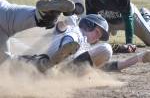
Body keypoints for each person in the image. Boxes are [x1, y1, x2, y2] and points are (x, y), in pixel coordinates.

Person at [12, 14, 150, 73]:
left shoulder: (87, 49)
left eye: (99, 36)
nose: (97, 38)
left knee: (106, 49)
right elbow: (60, 25)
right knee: (10, 43)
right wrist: (65, 18)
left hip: (65, 71)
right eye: (97, 32)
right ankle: (55, 59)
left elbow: (112, 66)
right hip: (40, 59)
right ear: (88, 25)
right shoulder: (72, 28)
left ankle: (56, 64)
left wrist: (139, 58)